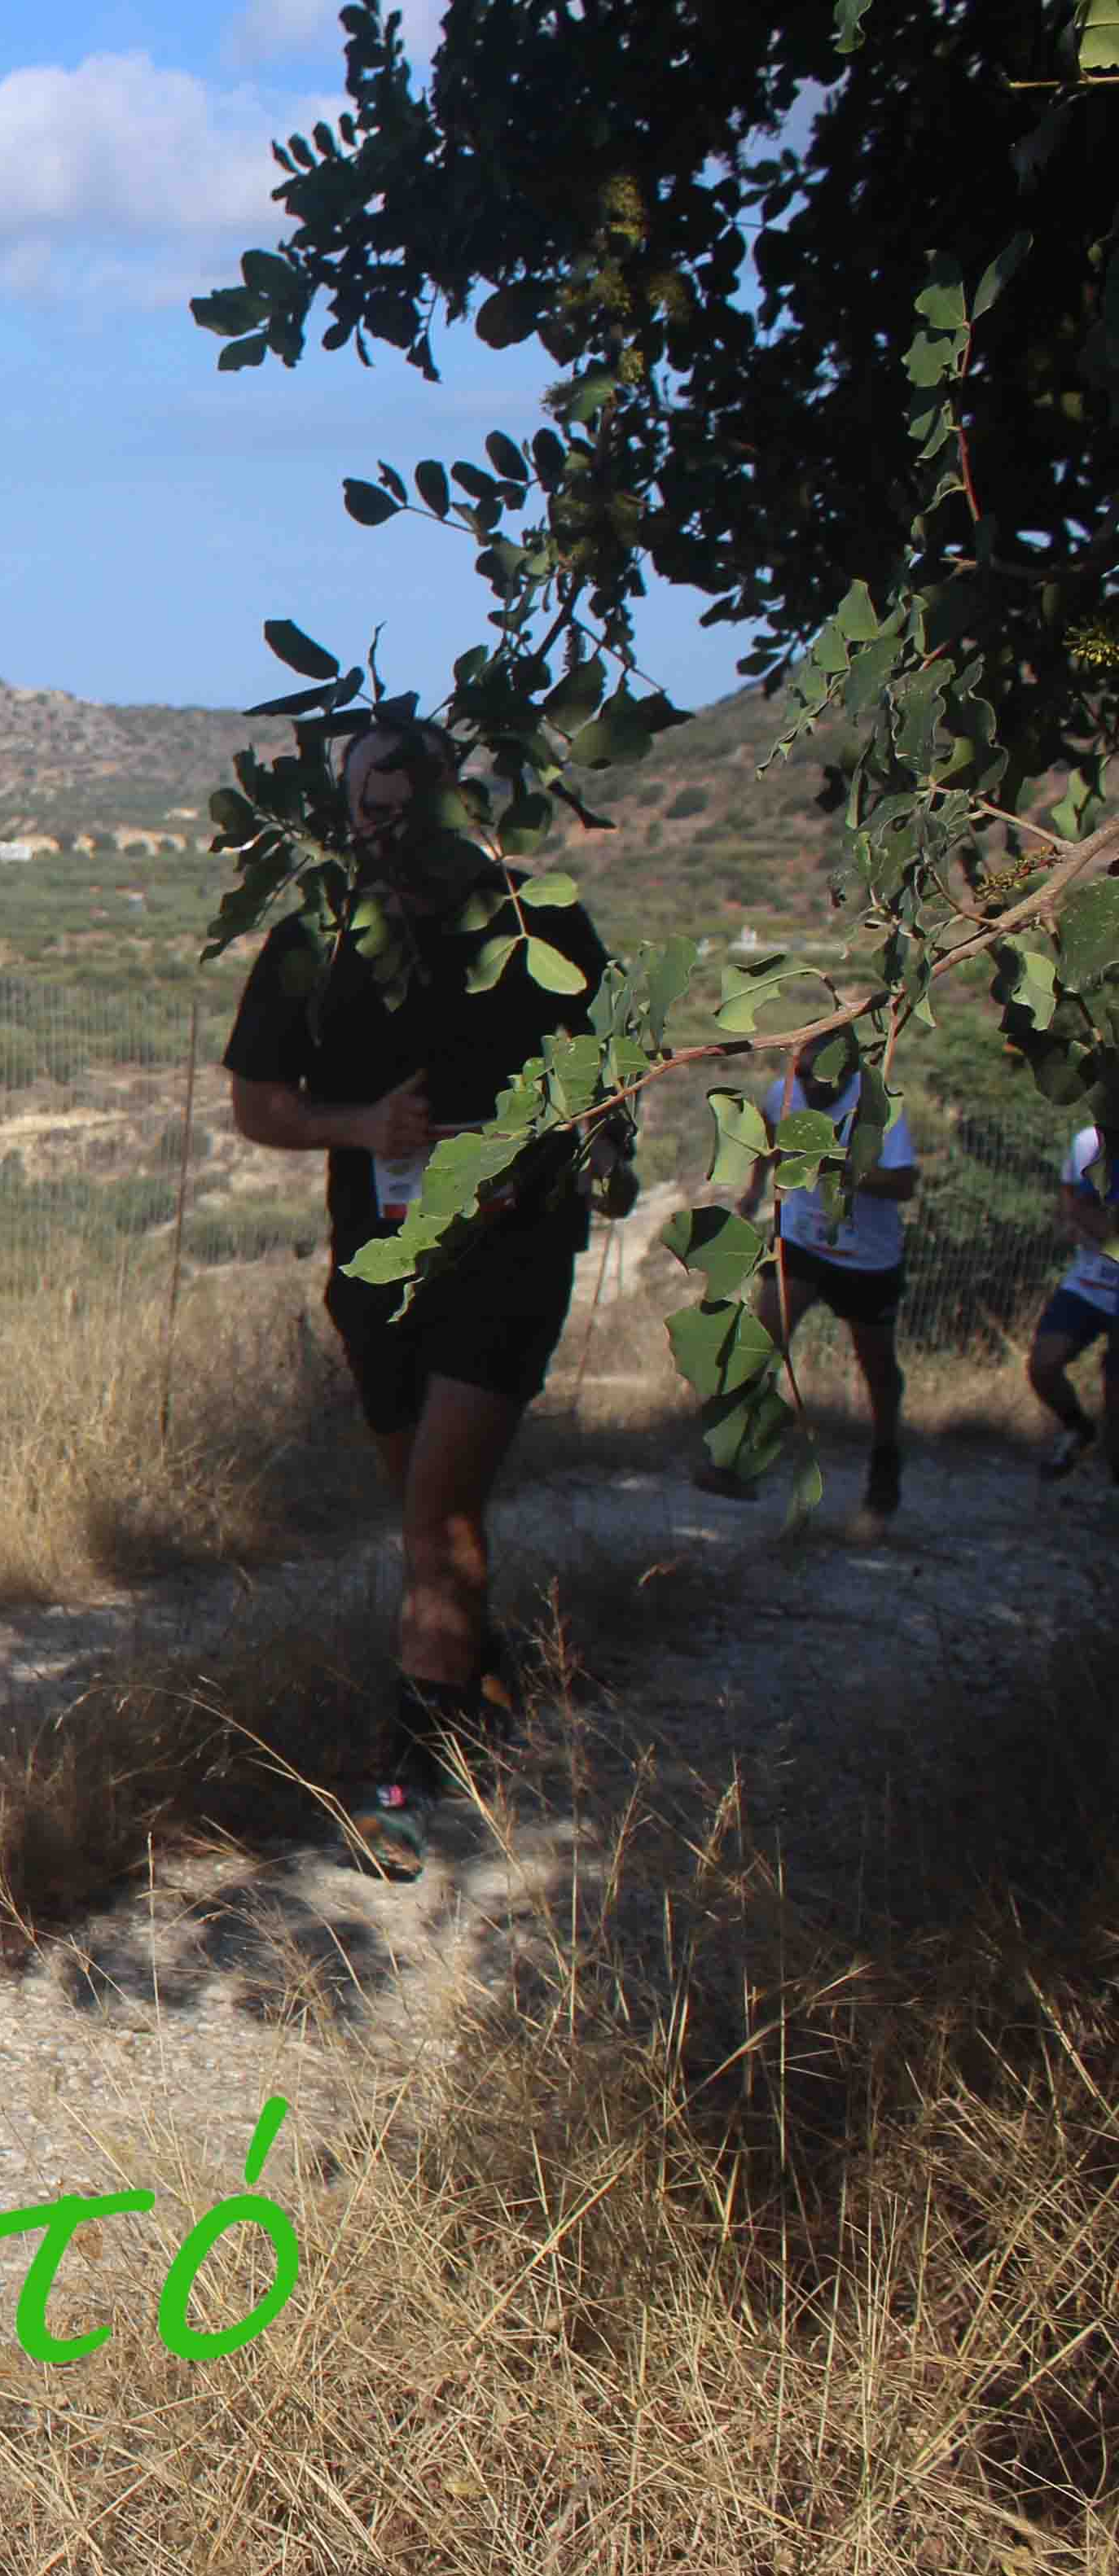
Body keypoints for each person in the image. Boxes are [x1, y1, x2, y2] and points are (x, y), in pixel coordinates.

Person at [221, 718, 621, 1881]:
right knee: (427, 1514)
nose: (389, 835)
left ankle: (402, 1784)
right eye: (371, 814)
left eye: (413, 810)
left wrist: (565, 1158)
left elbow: (612, 1080)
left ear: (460, 804)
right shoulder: (315, 942)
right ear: (345, 817)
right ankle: (486, 1685)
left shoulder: (543, 924)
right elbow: (257, 1104)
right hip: (379, 1267)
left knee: (439, 1519)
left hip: (513, 1258)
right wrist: (362, 1126)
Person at [690, 1041, 915, 1516]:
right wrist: (755, 1190)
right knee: (760, 1344)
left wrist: (836, 1166)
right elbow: (770, 1137)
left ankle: (886, 1456)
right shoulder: (786, 1093)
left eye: (820, 1077)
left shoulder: (878, 1108)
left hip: (866, 1257)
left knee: (877, 1368)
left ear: (848, 1073)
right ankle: (734, 1460)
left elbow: (903, 1184)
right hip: (804, 1241)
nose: (809, 1084)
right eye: (802, 1072)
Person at [1033, 1105, 1119, 1479]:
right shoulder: (1094, 1144)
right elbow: (1077, 1206)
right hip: (1091, 1280)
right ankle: (1078, 1428)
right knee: (1043, 1364)